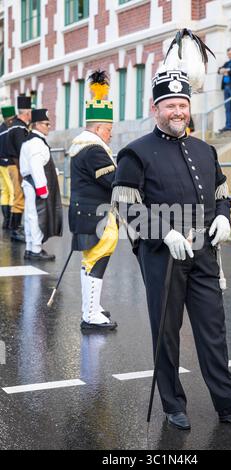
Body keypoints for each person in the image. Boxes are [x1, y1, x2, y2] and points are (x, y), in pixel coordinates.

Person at [112, 68, 231, 430]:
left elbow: (219, 193)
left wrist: (224, 218)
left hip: (204, 252)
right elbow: (125, 205)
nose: (178, 111)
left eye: (183, 104)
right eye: (170, 106)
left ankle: (227, 401)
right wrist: (164, 232)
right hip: (162, 256)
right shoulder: (135, 152)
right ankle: (172, 403)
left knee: (213, 328)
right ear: (155, 108)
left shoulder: (204, 149)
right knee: (166, 330)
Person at [68, 70, 118, 331]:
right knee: (97, 258)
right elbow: (113, 181)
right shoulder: (95, 150)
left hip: (87, 211)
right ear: (98, 128)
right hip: (95, 214)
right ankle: (90, 315)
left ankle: (92, 307)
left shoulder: (86, 146)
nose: (110, 134)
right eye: (108, 130)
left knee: (92, 259)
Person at [19, 108, 62, 261]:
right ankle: (35, 249)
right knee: (37, 216)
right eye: (46, 124)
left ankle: (31, 248)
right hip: (35, 184)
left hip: (30, 184)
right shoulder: (36, 143)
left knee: (31, 216)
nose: (49, 127)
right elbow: (36, 168)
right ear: (37, 124)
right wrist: (43, 189)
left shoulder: (32, 141)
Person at [5, 96, 32, 242]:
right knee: (19, 197)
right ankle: (15, 230)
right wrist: (22, 172)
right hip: (15, 166)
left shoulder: (15, 125)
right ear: (26, 113)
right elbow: (21, 152)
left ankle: (15, 226)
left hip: (13, 165)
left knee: (18, 196)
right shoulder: (19, 128)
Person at [0, 106, 16, 229]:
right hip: (7, 164)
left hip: (0, 164)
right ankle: (11, 222)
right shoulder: (10, 129)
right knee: (12, 192)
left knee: (4, 191)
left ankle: (6, 221)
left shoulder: (1, 129)